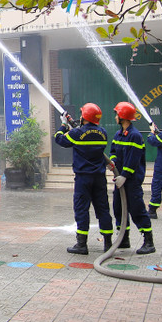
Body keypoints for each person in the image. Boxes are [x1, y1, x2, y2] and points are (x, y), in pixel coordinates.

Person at [53, 103, 114, 255]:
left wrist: (63, 125)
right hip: (99, 178)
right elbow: (88, 136)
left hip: (83, 179)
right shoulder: (103, 133)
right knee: (103, 209)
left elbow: (59, 139)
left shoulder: (77, 134)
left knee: (81, 209)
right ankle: (108, 243)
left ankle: (81, 244)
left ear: (84, 117)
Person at [110, 101, 156, 255]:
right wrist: (113, 163)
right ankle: (124, 238)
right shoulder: (118, 134)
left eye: (117, 114)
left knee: (136, 209)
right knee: (118, 208)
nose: (115, 116)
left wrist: (124, 175)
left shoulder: (135, 136)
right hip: (120, 179)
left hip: (132, 180)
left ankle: (148, 241)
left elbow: (133, 159)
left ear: (123, 117)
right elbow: (114, 151)